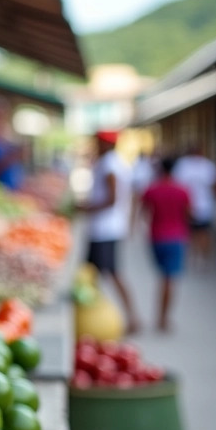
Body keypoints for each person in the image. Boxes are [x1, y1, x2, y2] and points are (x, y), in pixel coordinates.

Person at [77, 130, 138, 334]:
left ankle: (132, 317)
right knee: (91, 274)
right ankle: (92, 317)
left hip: (106, 229)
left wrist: (86, 208)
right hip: (103, 228)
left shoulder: (110, 164)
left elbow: (112, 199)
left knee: (113, 273)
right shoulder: (110, 161)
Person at [139, 156, 192, 332]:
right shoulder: (182, 190)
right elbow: (189, 214)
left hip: (156, 237)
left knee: (162, 277)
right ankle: (163, 319)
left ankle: (160, 316)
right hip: (175, 238)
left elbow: (143, 211)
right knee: (169, 279)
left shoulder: (152, 189)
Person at [171, 143, 216, 267]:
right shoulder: (208, 165)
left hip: (189, 205)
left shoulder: (183, 165)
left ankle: (195, 257)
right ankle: (202, 258)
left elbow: (177, 184)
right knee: (203, 232)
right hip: (204, 205)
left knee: (191, 232)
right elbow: (215, 186)